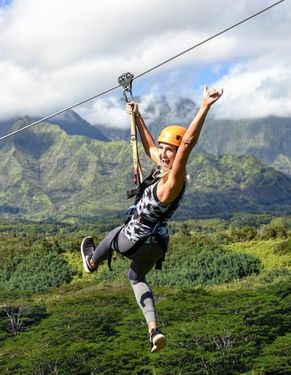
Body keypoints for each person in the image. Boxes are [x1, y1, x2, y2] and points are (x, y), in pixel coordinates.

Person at [80, 86, 223, 352]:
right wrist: (138, 117)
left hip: (134, 240)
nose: (165, 154)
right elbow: (149, 149)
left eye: (171, 151)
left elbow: (188, 144)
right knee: (135, 277)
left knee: (114, 234)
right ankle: (154, 329)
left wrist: (204, 107)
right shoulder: (163, 168)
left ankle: (91, 261)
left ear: (179, 154)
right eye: (164, 148)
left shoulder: (174, 178)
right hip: (156, 246)